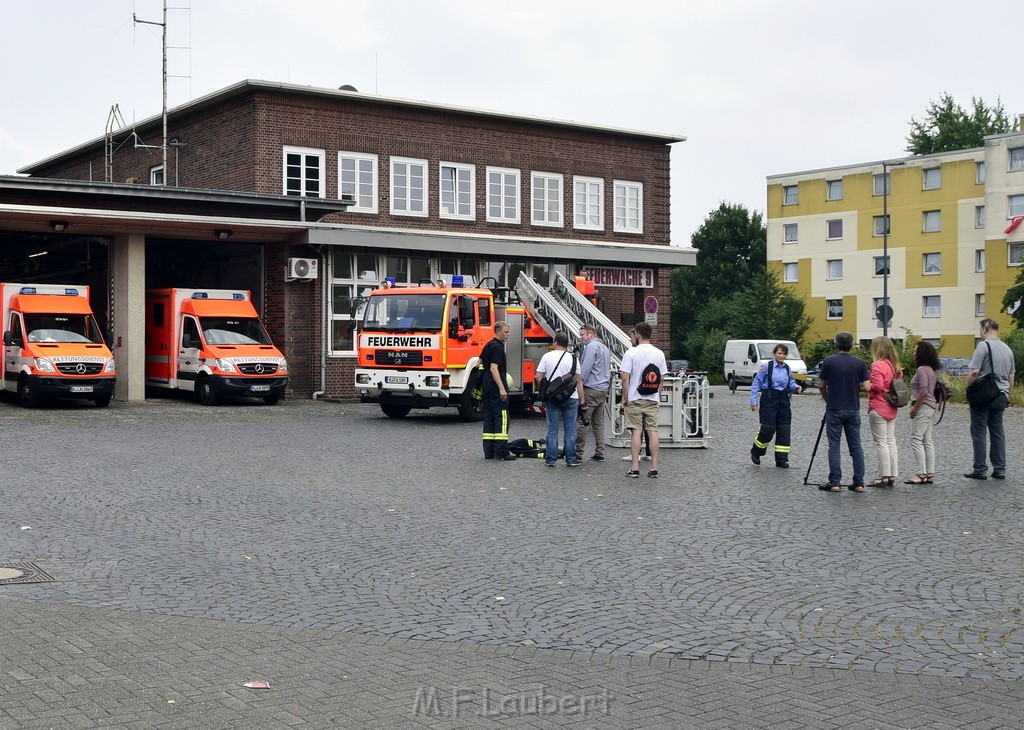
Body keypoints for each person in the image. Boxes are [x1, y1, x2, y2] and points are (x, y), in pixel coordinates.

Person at [817, 331, 870, 493]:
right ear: (851, 346)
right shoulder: (860, 363)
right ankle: (859, 482)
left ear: (836, 344)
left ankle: (834, 482)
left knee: (834, 446)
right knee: (856, 446)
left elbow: (821, 385)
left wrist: (827, 399)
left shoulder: (829, 361)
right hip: (853, 408)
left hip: (834, 407)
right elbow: (867, 387)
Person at [965, 318, 1016, 480]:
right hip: (1002, 394)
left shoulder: (983, 346)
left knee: (979, 430)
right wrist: (1008, 394)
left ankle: (980, 469)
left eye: (980, 330)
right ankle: (999, 469)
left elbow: (974, 371)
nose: (980, 333)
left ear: (986, 329)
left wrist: (969, 387)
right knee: (997, 431)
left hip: (984, 394)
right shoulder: (1007, 348)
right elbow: (1011, 375)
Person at [619, 321, 667, 478]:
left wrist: (625, 397)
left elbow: (625, 378)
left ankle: (635, 467)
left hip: (635, 397)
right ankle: (654, 468)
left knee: (636, 432)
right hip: (652, 398)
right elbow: (661, 379)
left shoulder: (631, 353)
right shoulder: (659, 353)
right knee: (652, 431)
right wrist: (657, 396)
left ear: (638, 335)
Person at [535, 331, 585, 467]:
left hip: (552, 398)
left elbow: (538, 376)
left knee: (552, 429)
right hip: (571, 397)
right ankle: (571, 459)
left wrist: (545, 389)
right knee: (570, 430)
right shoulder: (574, 359)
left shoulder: (547, 356)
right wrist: (582, 401)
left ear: (555, 342)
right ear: (566, 344)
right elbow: (579, 381)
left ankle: (550, 459)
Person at [749, 342, 802, 468]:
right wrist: (753, 401)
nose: (781, 356)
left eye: (784, 354)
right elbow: (756, 384)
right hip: (769, 399)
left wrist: (796, 387)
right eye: (779, 353)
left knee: (784, 429)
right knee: (768, 428)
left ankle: (781, 459)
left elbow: (790, 384)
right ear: (774, 354)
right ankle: (756, 451)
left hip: (783, 400)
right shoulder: (766, 367)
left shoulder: (787, 368)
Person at [867, 336, 901, 487]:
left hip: (879, 405)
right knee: (890, 440)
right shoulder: (895, 365)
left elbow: (878, 386)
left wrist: (867, 385)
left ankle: (883, 475)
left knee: (881, 442)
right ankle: (892, 474)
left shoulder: (877, 365)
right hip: (892, 407)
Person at [905, 340, 941, 484]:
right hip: (931, 406)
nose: (914, 353)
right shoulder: (931, 369)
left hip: (924, 406)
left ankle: (921, 473)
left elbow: (924, 392)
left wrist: (914, 409)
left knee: (915, 439)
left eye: (916, 351)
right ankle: (930, 472)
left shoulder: (921, 370)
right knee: (927, 440)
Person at [480, 321, 515, 461]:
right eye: (506, 332)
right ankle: (501, 451)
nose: (508, 335)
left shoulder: (488, 345)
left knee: (489, 417)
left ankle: (489, 451)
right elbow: (494, 368)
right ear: (498, 331)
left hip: (487, 385)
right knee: (502, 417)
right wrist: (502, 388)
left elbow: (479, 362)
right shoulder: (497, 347)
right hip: (495, 386)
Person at [576, 322, 611, 461]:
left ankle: (578, 453)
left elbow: (585, 370)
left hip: (591, 389)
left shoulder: (591, 347)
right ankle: (600, 451)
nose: (581, 338)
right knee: (598, 423)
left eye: (582, 335)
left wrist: (579, 385)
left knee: (583, 421)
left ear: (590, 334)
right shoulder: (605, 348)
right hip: (603, 389)